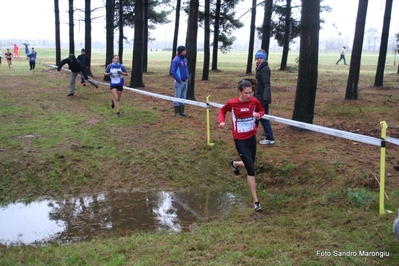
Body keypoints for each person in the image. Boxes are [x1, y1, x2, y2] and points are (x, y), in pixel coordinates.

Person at [218, 79, 265, 212]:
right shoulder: (232, 103)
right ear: (239, 92)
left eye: (250, 92)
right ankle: (256, 201)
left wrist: (258, 115)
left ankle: (235, 164)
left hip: (251, 137)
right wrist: (221, 122)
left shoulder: (254, 101)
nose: (249, 95)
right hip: (240, 139)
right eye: (246, 93)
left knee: (249, 163)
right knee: (251, 169)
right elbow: (222, 111)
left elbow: (262, 111)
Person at [254, 49, 275, 145]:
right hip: (258, 96)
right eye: (257, 58)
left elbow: (266, 84)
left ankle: (270, 138)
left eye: (260, 58)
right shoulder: (259, 67)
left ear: (264, 59)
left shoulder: (265, 69)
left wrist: (265, 100)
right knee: (256, 118)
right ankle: (251, 135)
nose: (258, 59)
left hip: (262, 99)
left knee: (263, 118)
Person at [171, 45, 190, 117]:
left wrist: (187, 77)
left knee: (183, 96)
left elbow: (186, 69)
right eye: (184, 51)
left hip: (185, 81)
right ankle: (177, 112)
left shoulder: (185, 60)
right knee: (177, 96)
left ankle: (182, 111)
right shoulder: (176, 60)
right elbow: (173, 71)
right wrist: (179, 80)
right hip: (179, 82)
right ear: (181, 51)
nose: (186, 52)